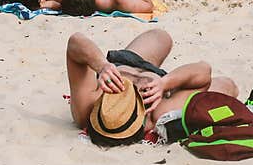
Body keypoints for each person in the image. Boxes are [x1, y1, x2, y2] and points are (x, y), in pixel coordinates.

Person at [65, 28, 238, 146]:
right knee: (228, 86)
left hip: (122, 64)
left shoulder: (89, 106)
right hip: (162, 83)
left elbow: (75, 41)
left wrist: (102, 66)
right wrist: (165, 83)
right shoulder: (158, 112)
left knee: (161, 36)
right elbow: (203, 70)